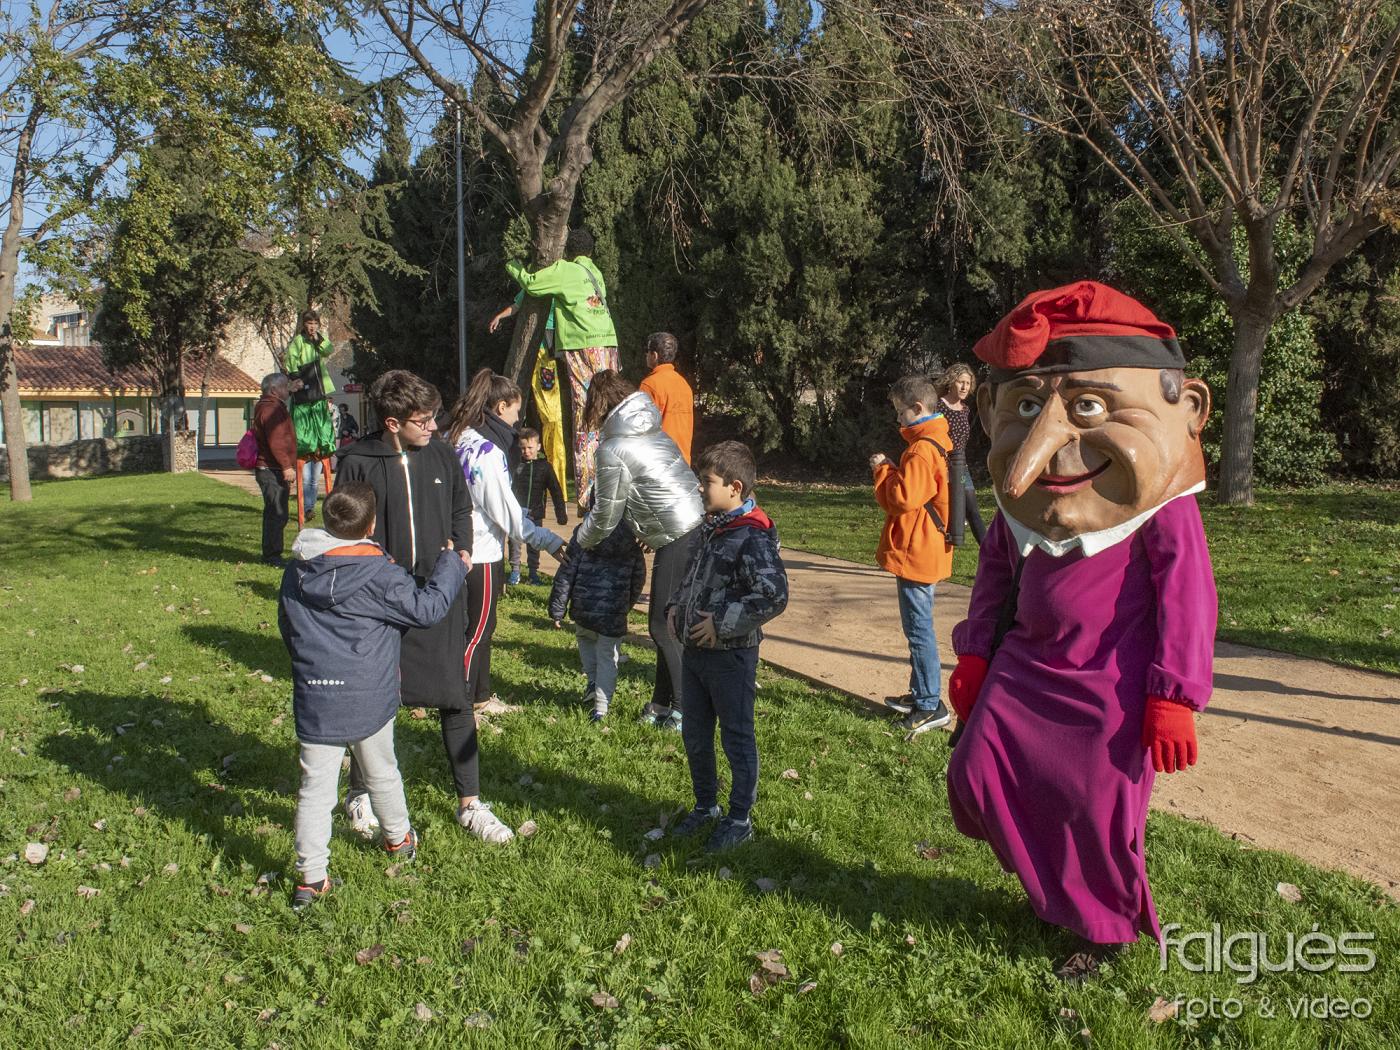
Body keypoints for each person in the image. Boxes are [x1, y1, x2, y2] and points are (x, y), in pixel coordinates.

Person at [945, 281, 1217, 982]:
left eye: (1088, 406)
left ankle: (1102, 929)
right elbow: (996, 572)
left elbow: (1187, 593)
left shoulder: (1164, 506)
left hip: (1111, 678)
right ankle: (1049, 885)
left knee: (1096, 810)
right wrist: (976, 654)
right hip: (1027, 665)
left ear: (1188, 410)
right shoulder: (1022, 497)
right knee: (978, 771)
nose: (1046, 440)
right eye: (1026, 407)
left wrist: (1175, 694)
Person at [335, 371, 513, 846]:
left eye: (434, 416)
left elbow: (460, 506)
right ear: (392, 423)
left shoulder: (441, 453)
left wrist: (463, 551)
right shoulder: (358, 460)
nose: (434, 426)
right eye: (423, 420)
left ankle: (471, 803)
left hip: (438, 596)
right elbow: (344, 528)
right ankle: (361, 791)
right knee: (377, 702)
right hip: (381, 603)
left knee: (456, 695)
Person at [278, 482, 467, 911]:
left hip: (316, 695)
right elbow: (427, 609)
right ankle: (398, 839)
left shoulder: (298, 570)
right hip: (369, 694)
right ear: (372, 524)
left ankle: (311, 878)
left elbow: (288, 627)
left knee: (315, 789)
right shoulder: (379, 573)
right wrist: (452, 563)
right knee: (381, 771)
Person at [666, 441, 788, 851]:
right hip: (695, 656)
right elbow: (693, 576)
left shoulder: (751, 535)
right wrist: (676, 606)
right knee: (695, 735)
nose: (700, 488)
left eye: (707, 481)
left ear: (734, 487)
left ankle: (739, 818)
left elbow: (773, 595)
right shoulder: (712, 526)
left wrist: (721, 624)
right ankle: (705, 806)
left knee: (736, 737)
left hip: (731, 658)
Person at [574, 370, 704, 730]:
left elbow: (606, 514)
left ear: (599, 404)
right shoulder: (651, 430)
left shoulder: (614, 448)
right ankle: (662, 704)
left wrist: (581, 541)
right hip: (691, 528)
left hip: (679, 535)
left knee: (662, 626)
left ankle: (685, 710)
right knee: (668, 623)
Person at [447, 369, 568, 715]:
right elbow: (509, 516)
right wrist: (548, 540)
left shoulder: (458, 436)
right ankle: (461, 706)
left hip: (458, 549)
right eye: (516, 411)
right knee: (478, 631)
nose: (518, 421)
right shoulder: (487, 451)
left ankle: (480, 697)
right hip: (482, 553)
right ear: (501, 407)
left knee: (475, 629)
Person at [506, 228, 619, 506]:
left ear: (568, 250)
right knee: (607, 413)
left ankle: (586, 495)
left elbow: (532, 284)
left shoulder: (566, 270)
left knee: (584, 415)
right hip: (608, 344)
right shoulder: (595, 273)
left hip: (583, 345)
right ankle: (610, 485)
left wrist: (512, 265)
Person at [870, 375, 955, 736]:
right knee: (918, 627)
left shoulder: (921, 449)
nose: (898, 419)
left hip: (917, 549)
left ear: (917, 408)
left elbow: (902, 498)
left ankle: (929, 704)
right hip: (927, 545)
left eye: (900, 412)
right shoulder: (937, 441)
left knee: (919, 630)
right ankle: (921, 692)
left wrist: (883, 469)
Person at [548, 509, 646, 722]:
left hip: (583, 607)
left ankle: (592, 682)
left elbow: (566, 572)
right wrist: (626, 604)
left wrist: (557, 608)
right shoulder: (631, 541)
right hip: (613, 614)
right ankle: (601, 707)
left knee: (586, 641)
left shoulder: (582, 536)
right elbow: (638, 578)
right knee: (608, 657)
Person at [489, 294, 569, 499]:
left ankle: (556, 479)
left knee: (553, 418)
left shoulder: (558, 289)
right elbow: (516, 305)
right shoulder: (531, 288)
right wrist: (500, 316)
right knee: (549, 416)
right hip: (541, 347)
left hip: (550, 346)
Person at [284, 309, 338, 520]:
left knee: (314, 475)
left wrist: (318, 340)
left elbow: (329, 350)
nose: (312, 326)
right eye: (309, 323)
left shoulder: (318, 340)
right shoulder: (298, 341)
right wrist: (296, 378)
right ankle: (306, 506)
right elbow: (290, 360)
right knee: (307, 473)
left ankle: (310, 507)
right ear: (304, 325)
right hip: (305, 389)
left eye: (315, 323)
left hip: (319, 388)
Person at [509, 426, 567, 586]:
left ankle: (533, 573)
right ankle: (515, 571)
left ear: (538, 446)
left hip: (535, 512)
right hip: (517, 512)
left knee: (534, 545)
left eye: (530, 447)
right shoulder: (516, 465)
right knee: (514, 542)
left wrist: (561, 513)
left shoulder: (545, 467)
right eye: (523, 448)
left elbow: (555, 490)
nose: (526, 451)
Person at [938, 363, 987, 545]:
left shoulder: (965, 410)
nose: (965, 387)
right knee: (943, 511)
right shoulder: (938, 407)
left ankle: (990, 551)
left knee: (972, 509)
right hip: (940, 466)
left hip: (961, 467)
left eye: (968, 383)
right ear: (951, 382)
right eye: (961, 382)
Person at [251, 373, 297, 566]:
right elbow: (276, 441)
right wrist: (286, 466)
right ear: (274, 390)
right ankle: (272, 556)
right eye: (285, 386)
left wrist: (295, 388)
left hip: (272, 467)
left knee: (276, 512)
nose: (287, 390)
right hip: (272, 468)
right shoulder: (271, 409)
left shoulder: (271, 406)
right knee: (276, 513)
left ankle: (271, 553)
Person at [638, 332, 695, 463]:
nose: (646, 355)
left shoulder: (649, 385)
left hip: (658, 463)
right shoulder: (683, 384)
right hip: (682, 461)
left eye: (647, 351)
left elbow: (641, 428)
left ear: (655, 355)